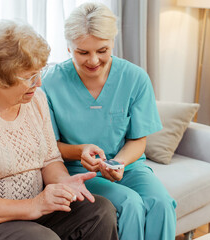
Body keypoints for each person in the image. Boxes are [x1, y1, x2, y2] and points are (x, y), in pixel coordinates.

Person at [0, 19, 118, 240]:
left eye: (39, 73)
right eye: (28, 77)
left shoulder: (35, 99)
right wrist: (34, 205)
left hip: (30, 205)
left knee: (100, 210)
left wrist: (64, 183)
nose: (38, 83)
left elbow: (50, 160)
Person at [41, 2, 177, 240]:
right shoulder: (50, 83)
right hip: (78, 171)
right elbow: (50, 147)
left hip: (129, 166)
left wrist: (118, 163)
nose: (93, 60)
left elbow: (138, 141)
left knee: (162, 203)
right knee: (130, 203)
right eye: (83, 52)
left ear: (113, 42)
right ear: (68, 47)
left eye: (102, 50)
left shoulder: (135, 78)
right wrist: (81, 151)